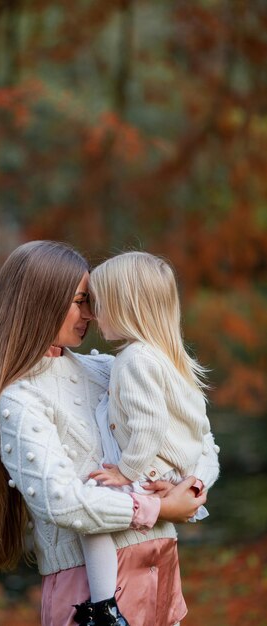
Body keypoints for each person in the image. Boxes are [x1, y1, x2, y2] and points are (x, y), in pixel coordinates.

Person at [0, 241, 217, 626]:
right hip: (90, 594)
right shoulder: (21, 399)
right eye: (81, 301)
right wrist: (159, 508)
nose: (90, 315)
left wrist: (193, 484)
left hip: (162, 568)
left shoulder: (110, 369)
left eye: (91, 301)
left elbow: (200, 436)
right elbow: (63, 503)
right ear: (42, 301)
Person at [80, 250, 220, 625]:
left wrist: (126, 472)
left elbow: (149, 426)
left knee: (90, 519)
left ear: (125, 308)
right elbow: (199, 430)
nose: (92, 316)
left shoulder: (135, 360)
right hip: (177, 474)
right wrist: (195, 479)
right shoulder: (168, 358)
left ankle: (104, 606)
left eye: (98, 304)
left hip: (152, 472)